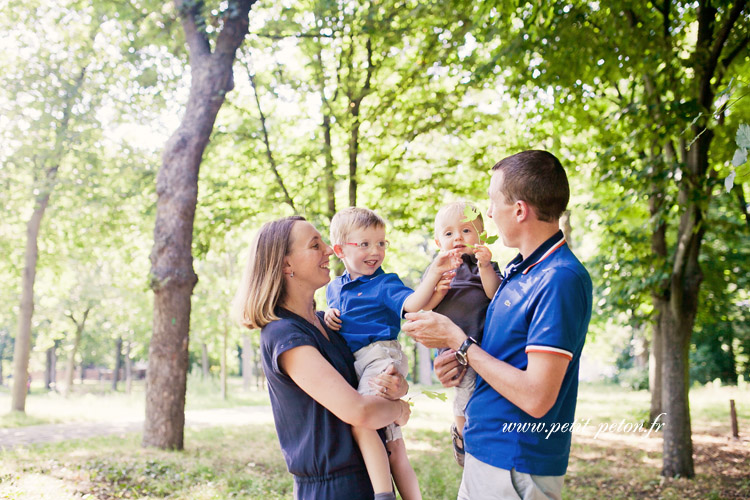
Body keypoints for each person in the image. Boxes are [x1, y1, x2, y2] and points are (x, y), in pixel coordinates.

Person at [403, 150, 593, 500]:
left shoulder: (559, 278)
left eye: (492, 202)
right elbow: (493, 359)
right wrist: (454, 365)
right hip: (485, 450)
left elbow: (537, 398)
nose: (488, 213)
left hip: (515, 464)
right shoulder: (518, 272)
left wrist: (460, 343)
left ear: (519, 210)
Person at [233, 215, 412, 500]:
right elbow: (360, 411)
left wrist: (397, 387)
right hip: (333, 490)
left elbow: (367, 378)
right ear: (286, 264)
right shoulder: (284, 335)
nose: (329, 250)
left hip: (372, 477)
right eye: (315, 245)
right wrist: (400, 410)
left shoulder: (329, 324)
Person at [324, 207, 463, 500]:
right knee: (393, 445)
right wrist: (329, 316)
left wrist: (434, 273)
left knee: (361, 422)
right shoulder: (334, 288)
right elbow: (339, 318)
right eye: (364, 244)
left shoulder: (384, 283)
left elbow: (412, 304)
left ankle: (383, 495)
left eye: (381, 243)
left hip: (380, 357)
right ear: (339, 250)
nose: (375, 251)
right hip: (358, 363)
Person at [422, 201, 502, 467]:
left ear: (481, 235)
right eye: (448, 233)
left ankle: (475, 432)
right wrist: (438, 289)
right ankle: (462, 437)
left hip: (485, 343)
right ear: (437, 242)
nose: (457, 237)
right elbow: (424, 306)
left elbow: (493, 294)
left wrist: (486, 266)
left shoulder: (485, 265)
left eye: (466, 231)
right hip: (455, 349)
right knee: (465, 390)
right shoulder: (439, 269)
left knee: (484, 395)